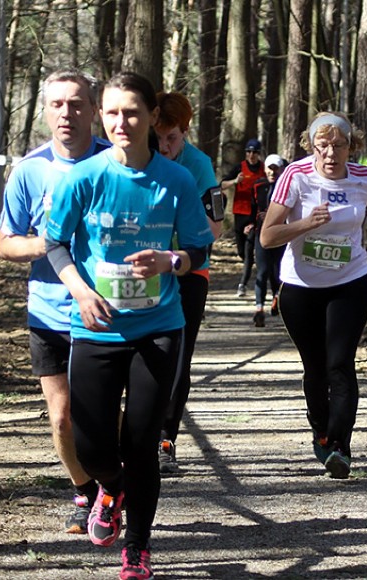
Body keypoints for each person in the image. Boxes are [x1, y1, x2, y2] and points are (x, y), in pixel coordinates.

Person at [45, 72, 214, 580]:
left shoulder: (178, 179)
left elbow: (200, 249)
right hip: (96, 325)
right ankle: (109, 487)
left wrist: (172, 262)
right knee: (93, 443)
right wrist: (79, 288)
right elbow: (56, 243)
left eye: (133, 113)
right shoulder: (83, 177)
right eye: (113, 113)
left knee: (142, 444)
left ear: (151, 118)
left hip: (159, 326)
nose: (122, 122)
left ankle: (137, 547)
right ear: (103, 116)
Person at [0, 69, 109, 534]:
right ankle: (85, 489)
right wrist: (50, 243)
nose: (67, 113)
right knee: (62, 417)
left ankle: (115, 481)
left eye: (77, 103)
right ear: (45, 111)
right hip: (48, 310)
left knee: (103, 413)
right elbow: (5, 243)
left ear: (94, 110)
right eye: (57, 104)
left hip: (106, 310)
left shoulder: (116, 162)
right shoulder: (30, 170)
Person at [259, 112, 367, 479]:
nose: (331, 154)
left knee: (340, 364)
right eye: (323, 146)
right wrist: (305, 224)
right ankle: (321, 432)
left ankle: (340, 448)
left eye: (339, 145)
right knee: (315, 368)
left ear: (352, 146)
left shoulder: (364, 177)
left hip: (351, 281)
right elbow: (268, 237)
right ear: (311, 147)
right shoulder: (296, 176)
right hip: (300, 287)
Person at [153, 91, 222, 474]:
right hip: (143, 271)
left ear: (185, 132)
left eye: (172, 138)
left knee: (178, 358)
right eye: (158, 136)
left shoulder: (199, 165)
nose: (163, 147)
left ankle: (166, 438)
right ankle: (137, 432)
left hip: (189, 271)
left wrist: (176, 242)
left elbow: (214, 227)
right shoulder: (137, 157)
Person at [221, 138, 265, 297]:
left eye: (255, 152)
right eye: (249, 151)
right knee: (241, 251)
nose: (252, 155)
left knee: (249, 247)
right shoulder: (240, 167)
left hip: (256, 214)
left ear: (259, 154)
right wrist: (235, 181)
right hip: (240, 212)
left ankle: (244, 283)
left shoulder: (264, 169)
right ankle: (248, 262)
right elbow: (221, 185)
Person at [251, 153, 287, 327]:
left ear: (281, 169)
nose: (272, 172)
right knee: (262, 271)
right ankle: (259, 310)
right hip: (261, 234)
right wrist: (250, 223)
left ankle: (277, 298)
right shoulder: (258, 185)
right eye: (269, 168)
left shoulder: (287, 186)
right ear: (264, 169)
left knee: (278, 271)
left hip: (281, 234)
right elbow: (252, 208)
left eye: (275, 169)